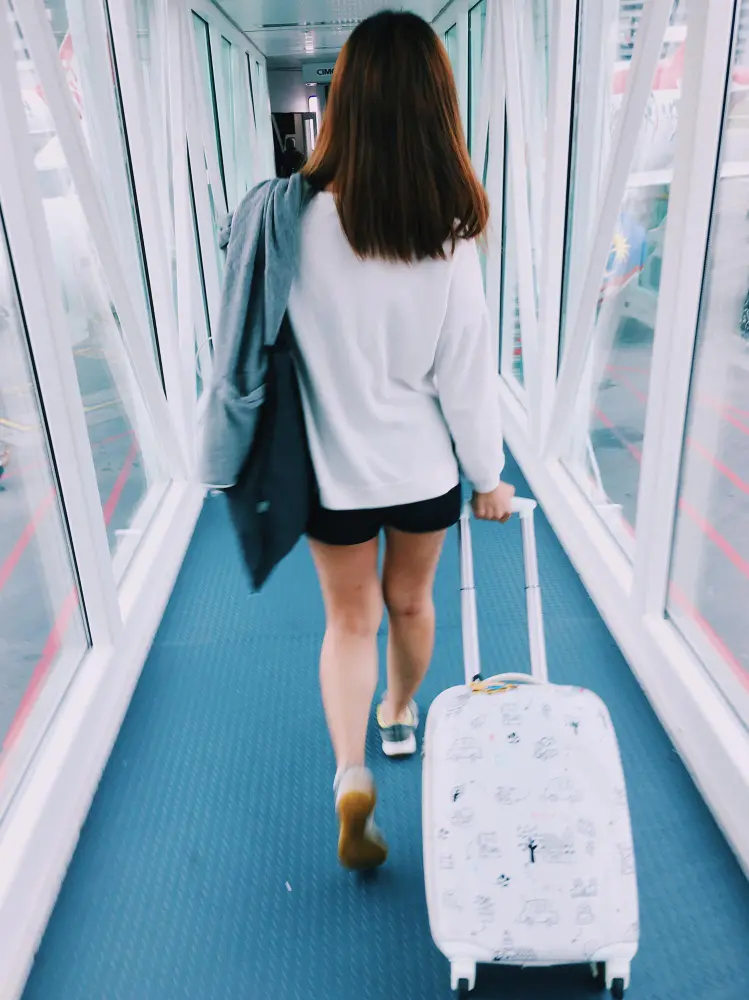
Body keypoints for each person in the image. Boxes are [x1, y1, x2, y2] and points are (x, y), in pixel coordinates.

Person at [286, 10, 515, 871]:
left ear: (342, 103)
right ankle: (397, 713)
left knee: (346, 620)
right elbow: (466, 373)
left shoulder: (293, 223)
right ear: (435, 106)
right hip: (418, 470)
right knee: (409, 604)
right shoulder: (448, 237)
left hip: (325, 467)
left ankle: (350, 774)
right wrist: (486, 477)